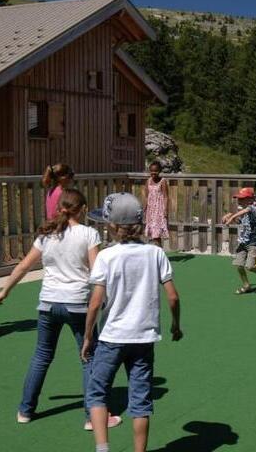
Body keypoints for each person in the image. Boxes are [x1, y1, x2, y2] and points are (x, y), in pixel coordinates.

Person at [0, 188, 121, 430]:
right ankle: (91, 417)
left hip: (48, 304)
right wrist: (107, 298)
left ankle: (25, 410)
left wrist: (4, 290)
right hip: (77, 304)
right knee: (88, 357)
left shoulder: (47, 235)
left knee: (41, 357)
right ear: (82, 210)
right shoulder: (89, 234)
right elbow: (97, 272)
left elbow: (23, 266)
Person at [81, 193, 183, 452]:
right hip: (144, 338)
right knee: (140, 400)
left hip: (112, 337)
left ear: (113, 226)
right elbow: (172, 296)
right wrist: (175, 325)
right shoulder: (155, 253)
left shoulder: (106, 256)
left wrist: (88, 336)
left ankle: (103, 449)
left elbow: (95, 303)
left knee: (96, 393)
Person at [222, 187, 256, 294]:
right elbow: (239, 222)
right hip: (243, 243)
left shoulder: (253, 208)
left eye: (242, 198)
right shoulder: (243, 212)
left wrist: (231, 216)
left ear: (249, 199)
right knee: (239, 265)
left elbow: (246, 210)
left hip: (253, 243)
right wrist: (230, 217)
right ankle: (246, 285)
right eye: (238, 198)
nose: (239, 200)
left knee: (250, 266)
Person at [142, 161, 169, 247]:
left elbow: (165, 196)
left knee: (157, 234)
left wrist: (165, 209)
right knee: (152, 233)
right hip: (151, 210)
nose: (153, 173)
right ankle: (156, 251)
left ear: (159, 171)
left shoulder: (163, 181)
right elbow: (146, 196)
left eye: (156, 171)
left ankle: (159, 251)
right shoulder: (148, 181)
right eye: (152, 171)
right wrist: (145, 208)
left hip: (159, 210)